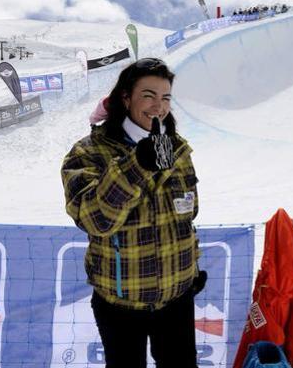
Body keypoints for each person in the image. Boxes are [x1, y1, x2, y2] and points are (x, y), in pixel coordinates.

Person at [61, 57, 207, 368]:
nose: (159, 106)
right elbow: (94, 219)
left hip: (176, 300)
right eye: (148, 95)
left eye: (165, 97)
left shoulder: (177, 150)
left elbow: (186, 217)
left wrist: (189, 270)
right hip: (121, 304)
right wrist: (136, 166)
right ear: (125, 98)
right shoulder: (88, 153)